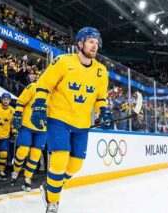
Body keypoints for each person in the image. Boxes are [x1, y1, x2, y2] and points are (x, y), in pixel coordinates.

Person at [32, 27, 113, 212]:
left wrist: (105, 112)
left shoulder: (101, 71)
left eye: (97, 42)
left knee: (75, 166)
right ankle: (53, 202)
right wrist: (38, 106)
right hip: (58, 118)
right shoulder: (62, 61)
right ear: (80, 43)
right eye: (91, 41)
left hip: (82, 123)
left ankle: (49, 187)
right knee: (59, 160)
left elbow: (100, 98)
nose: (95, 45)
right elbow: (45, 84)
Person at [10, 82, 47, 192]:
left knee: (36, 155)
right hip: (27, 125)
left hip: (43, 129)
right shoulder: (33, 86)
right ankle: (16, 170)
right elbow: (21, 101)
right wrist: (17, 115)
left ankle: (27, 177)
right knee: (23, 151)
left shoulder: (56, 92)